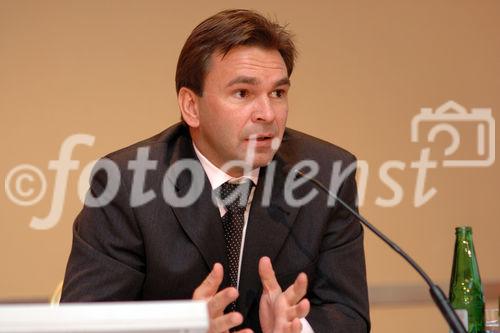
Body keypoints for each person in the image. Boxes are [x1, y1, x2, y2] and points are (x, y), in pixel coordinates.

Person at [61, 9, 370, 333]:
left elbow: (349, 316)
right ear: (191, 107)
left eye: (278, 93)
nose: (267, 113)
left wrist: (299, 329)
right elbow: (84, 323)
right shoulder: (125, 182)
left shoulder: (326, 175)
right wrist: (184, 329)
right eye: (243, 93)